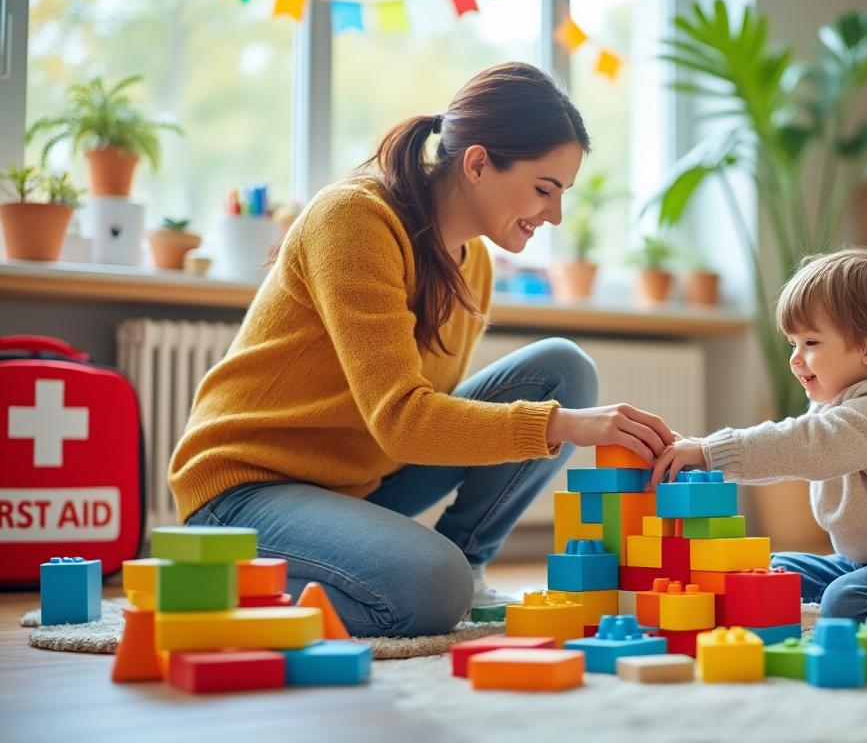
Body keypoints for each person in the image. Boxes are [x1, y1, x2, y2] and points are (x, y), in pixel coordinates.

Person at [169, 63, 674, 637]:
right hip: (245, 491)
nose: (554, 215)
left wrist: (564, 418)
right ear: (478, 163)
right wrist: (568, 427)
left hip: (357, 482)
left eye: (562, 195)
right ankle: (207, 579)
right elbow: (402, 421)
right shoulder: (355, 220)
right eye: (543, 189)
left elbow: (422, 421)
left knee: (563, 370)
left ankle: (464, 567)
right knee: (431, 587)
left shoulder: (473, 261)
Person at [649, 246, 867, 629]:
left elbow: (801, 445)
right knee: (770, 572)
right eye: (793, 343)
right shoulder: (838, 404)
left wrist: (709, 451)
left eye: (811, 343)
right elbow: (796, 446)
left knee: (847, 601)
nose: (795, 358)